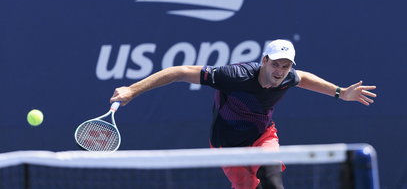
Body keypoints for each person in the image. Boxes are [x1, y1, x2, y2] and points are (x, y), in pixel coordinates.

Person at [110, 39, 377, 189]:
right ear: (264, 61)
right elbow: (179, 72)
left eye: (285, 66)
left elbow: (304, 78)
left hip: (263, 137)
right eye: (275, 64)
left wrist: (340, 92)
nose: (280, 71)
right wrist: (132, 90)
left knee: (273, 183)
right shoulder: (234, 75)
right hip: (227, 146)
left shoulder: (288, 77)